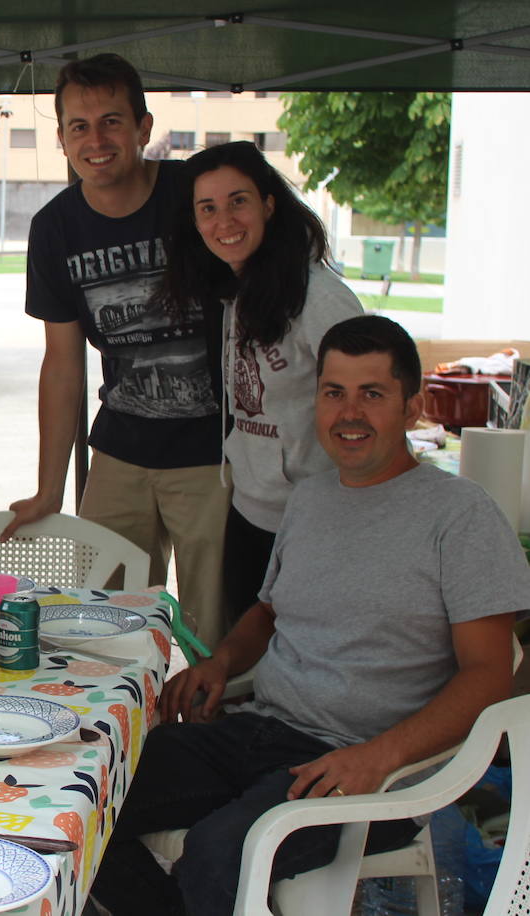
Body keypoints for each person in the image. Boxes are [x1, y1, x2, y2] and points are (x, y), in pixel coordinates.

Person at [88, 315, 530, 916]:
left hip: (369, 768)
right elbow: (269, 610)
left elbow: (488, 677)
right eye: (334, 392)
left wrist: (380, 756)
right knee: (88, 797)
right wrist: (220, 664)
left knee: (220, 854)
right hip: (261, 730)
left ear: (413, 406)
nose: (349, 413)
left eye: (371, 394)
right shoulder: (314, 496)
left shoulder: (459, 514)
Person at [4, 53, 230, 647]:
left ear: (143, 128)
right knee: (105, 622)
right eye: (79, 126)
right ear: (61, 138)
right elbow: (61, 363)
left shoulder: (191, 193)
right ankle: (134, 735)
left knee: (216, 624)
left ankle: (215, 734)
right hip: (121, 450)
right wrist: (50, 487)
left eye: (111, 121)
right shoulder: (55, 228)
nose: (96, 139)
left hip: (215, 453)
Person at [157, 141, 363, 627]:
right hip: (249, 512)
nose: (223, 221)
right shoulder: (236, 292)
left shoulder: (319, 298)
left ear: (268, 205)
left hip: (313, 519)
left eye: (238, 201)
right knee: (248, 660)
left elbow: (366, 404)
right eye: (208, 208)